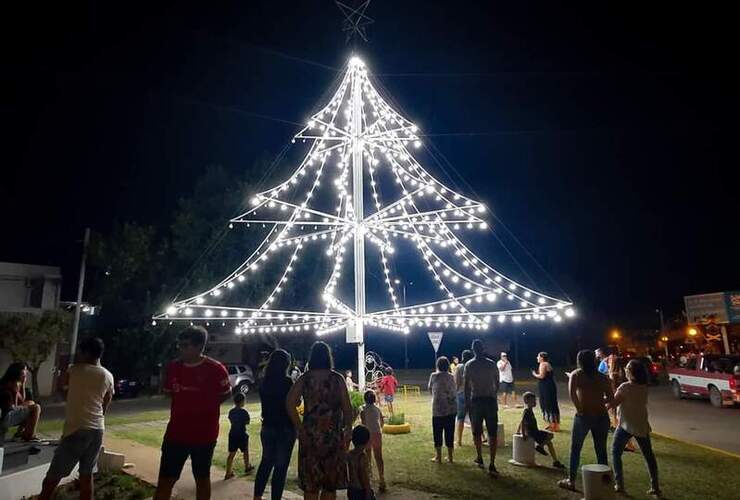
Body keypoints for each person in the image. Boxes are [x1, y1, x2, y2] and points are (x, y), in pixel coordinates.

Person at [154, 326, 231, 500]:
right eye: (179, 345)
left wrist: (205, 407)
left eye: (185, 345)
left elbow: (226, 393)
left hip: (204, 435)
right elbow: (168, 392)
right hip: (176, 433)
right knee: (166, 480)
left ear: (199, 347)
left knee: (202, 479)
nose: (180, 348)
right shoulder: (174, 367)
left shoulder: (216, 369)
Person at [38, 338, 114, 500]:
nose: (77, 355)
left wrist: (72, 398)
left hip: (77, 429)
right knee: (87, 477)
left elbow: (62, 387)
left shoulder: (75, 370)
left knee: (52, 478)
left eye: (80, 351)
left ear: (86, 352)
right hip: (97, 430)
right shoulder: (108, 375)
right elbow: (107, 400)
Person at [286, 341, 353, 500]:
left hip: (310, 437)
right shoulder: (338, 379)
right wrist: (348, 428)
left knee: (311, 483)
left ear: (313, 358)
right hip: (332, 437)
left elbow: (289, 403)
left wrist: (300, 429)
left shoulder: (305, 379)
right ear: (328, 358)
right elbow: (347, 408)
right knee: (329, 484)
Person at [558, 349, 613, 491]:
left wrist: (580, 408)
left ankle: (571, 480)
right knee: (601, 450)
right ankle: (604, 482)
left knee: (575, 448)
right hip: (601, 416)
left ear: (579, 361)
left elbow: (572, 394)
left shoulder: (576, 375)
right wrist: (599, 401)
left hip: (584, 416)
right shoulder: (602, 377)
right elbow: (611, 398)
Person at [609, 360, 661, 496]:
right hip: (641, 424)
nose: (624, 370)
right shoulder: (643, 386)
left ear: (630, 372)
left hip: (626, 425)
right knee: (648, 456)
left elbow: (614, 403)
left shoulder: (625, 387)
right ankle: (655, 486)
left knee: (615, 452)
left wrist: (601, 399)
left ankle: (619, 484)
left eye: (626, 368)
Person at [254, 349, 296, 500]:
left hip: (268, 426)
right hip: (285, 427)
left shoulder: (264, 381)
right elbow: (295, 402)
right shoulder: (287, 382)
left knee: (266, 462)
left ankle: (257, 496)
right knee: (280, 467)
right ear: (286, 364)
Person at [463, 339, 500, 477]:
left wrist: (467, 403)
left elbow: (467, 386)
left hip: (476, 401)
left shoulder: (469, 365)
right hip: (489, 400)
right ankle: (492, 462)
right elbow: (497, 383)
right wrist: (493, 393)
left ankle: (480, 456)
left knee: (476, 432)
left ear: (473, 350)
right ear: (483, 349)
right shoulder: (491, 364)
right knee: (492, 433)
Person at [516, 392, 565, 469]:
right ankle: (540, 446)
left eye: (535, 400)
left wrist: (518, 431)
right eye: (533, 401)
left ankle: (555, 461)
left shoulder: (530, 411)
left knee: (549, 442)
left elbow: (521, 422)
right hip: (532, 433)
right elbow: (522, 422)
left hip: (535, 431)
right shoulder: (526, 411)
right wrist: (522, 433)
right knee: (550, 435)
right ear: (527, 401)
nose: (535, 402)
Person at [0, 361, 41, 441]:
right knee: (36, 407)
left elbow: (23, 400)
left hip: (5, 413)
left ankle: (19, 433)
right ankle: (29, 435)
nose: (26, 372)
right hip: (6, 417)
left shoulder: (10, 381)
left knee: (31, 403)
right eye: (24, 370)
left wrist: (23, 384)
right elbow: (16, 405)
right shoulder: (12, 384)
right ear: (19, 371)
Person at [428, 356, 457, 464]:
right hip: (450, 409)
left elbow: (430, 388)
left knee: (437, 433)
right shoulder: (451, 377)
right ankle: (450, 458)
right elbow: (454, 392)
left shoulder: (433, 376)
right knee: (450, 433)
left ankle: (438, 457)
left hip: (437, 409)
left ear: (438, 365)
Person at [360, 390, 386, 492]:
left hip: (367, 434)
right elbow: (382, 423)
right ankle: (382, 479)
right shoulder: (378, 409)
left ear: (365, 399)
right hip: (377, 434)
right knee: (379, 457)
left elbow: (363, 423)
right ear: (374, 399)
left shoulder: (362, 409)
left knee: (368, 456)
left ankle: (369, 476)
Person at [225, 392, 253, 479]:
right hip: (242, 434)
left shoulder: (231, 411)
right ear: (242, 401)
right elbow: (247, 422)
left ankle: (228, 472)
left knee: (231, 453)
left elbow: (230, 420)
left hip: (233, 434)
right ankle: (247, 467)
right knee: (245, 451)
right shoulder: (244, 412)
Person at [532, 352, 560, 432]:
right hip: (549, 385)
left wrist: (534, 374)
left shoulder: (543, 364)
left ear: (542, 357)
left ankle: (554, 425)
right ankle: (552, 424)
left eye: (538, 356)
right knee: (550, 403)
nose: (537, 358)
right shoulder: (547, 364)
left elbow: (542, 376)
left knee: (548, 403)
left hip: (546, 386)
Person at [347, 425, 375, 500]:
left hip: (351, 489)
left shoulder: (349, 455)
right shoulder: (362, 457)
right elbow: (363, 475)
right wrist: (368, 490)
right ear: (367, 441)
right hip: (361, 490)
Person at [454, 349, 474, 447]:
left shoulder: (459, 367)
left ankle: (459, 440)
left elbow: (456, 381)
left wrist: (456, 391)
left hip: (461, 393)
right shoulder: (474, 365)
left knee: (460, 418)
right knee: (473, 417)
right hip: (472, 393)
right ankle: (477, 438)